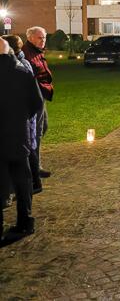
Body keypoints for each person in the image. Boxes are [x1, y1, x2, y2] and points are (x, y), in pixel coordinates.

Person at [0, 38, 44, 239]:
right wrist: (22, 118)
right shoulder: (23, 73)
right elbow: (36, 102)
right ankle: (25, 221)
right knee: (22, 181)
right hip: (19, 135)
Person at [2, 36, 40, 195]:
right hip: (20, 131)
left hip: (15, 131)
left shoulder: (22, 69)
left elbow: (35, 101)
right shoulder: (23, 71)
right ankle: (25, 217)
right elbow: (36, 101)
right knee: (22, 173)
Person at [21, 26, 53, 184]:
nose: (43, 41)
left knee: (43, 127)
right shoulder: (27, 52)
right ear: (31, 37)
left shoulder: (37, 51)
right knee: (36, 131)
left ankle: (33, 162)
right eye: (40, 38)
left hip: (42, 95)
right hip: (35, 97)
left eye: (45, 37)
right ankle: (34, 166)